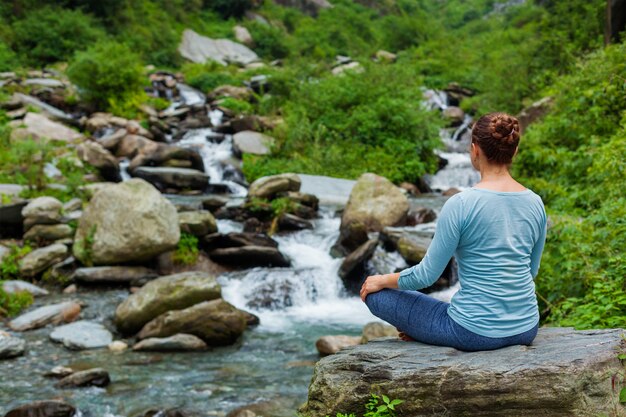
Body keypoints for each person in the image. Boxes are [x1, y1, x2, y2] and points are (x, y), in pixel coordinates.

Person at [360, 112, 547, 352]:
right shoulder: (535, 202)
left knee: (377, 295)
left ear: (475, 149)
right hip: (526, 327)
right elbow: (531, 271)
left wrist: (381, 280)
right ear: (514, 151)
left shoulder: (460, 204)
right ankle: (428, 329)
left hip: (472, 332)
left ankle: (427, 331)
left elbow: (426, 276)